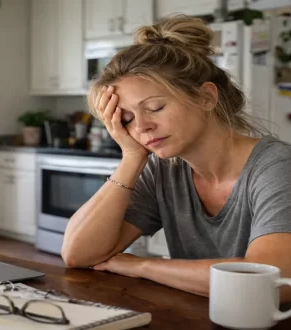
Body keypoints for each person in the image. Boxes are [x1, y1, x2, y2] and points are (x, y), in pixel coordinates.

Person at [61, 15, 291, 300]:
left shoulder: (277, 167)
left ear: (206, 97)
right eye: (128, 118)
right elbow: (78, 254)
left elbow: (272, 279)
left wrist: (143, 265)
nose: (142, 126)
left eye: (155, 107)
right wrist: (132, 157)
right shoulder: (162, 170)